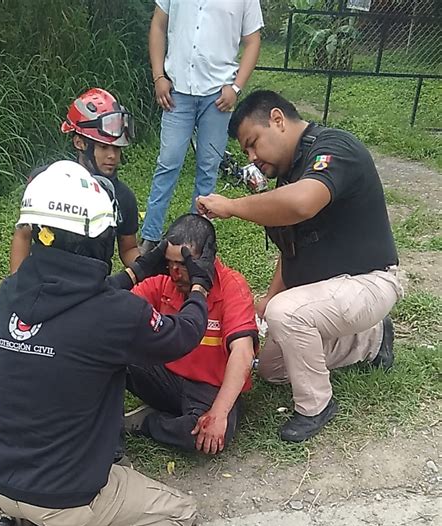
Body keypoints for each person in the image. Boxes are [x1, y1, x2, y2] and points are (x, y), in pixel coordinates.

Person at [0, 160, 214, 526]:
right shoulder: (116, 316)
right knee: (179, 512)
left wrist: (141, 267)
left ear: (40, 231)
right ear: (102, 239)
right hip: (65, 496)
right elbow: (183, 334)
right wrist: (200, 285)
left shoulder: (10, 293)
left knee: (23, 471)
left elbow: (84, 297)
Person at [196, 89, 403, 443]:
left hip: (370, 281)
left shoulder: (335, 148)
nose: (252, 156)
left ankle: (316, 406)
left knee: (288, 313)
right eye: (246, 150)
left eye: (253, 143)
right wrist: (267, 299)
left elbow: (303, 204)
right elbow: (289, 251)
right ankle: (372, 338)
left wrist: (232, 206)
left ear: (277, 120)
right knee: (274, 367)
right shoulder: (289, 176)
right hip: (329, 292)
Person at [124, 214, 258, 454]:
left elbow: (243, 351)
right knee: (110, 349)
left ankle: (149, 423)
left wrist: (218, 413)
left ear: (207, 260)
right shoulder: (163, 279)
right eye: (169, 263)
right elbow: (110, 314)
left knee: (203, 438)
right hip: (164, 372)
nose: (175, 273)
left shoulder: (231, 286)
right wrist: (138, 271)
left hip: (208, 388)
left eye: (185, 264)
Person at [140, 0, 263, 252]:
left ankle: (195, 238)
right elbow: (158, 24)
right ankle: (150, 237)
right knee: (168, 164)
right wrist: (158, 76)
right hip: (178, 91)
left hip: (218, 95)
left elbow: (253, 40)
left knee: (208, 168)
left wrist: (236, 87)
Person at [10, 88, 140, 273]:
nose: (112, 156)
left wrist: (152, 264)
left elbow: (128, 249)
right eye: (104, 147)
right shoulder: (45, 182)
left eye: (117, 149)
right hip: (45, 282)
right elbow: (23, 235)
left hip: (95, 289)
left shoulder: (123, 197)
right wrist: (17, 285)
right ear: (80, 143)